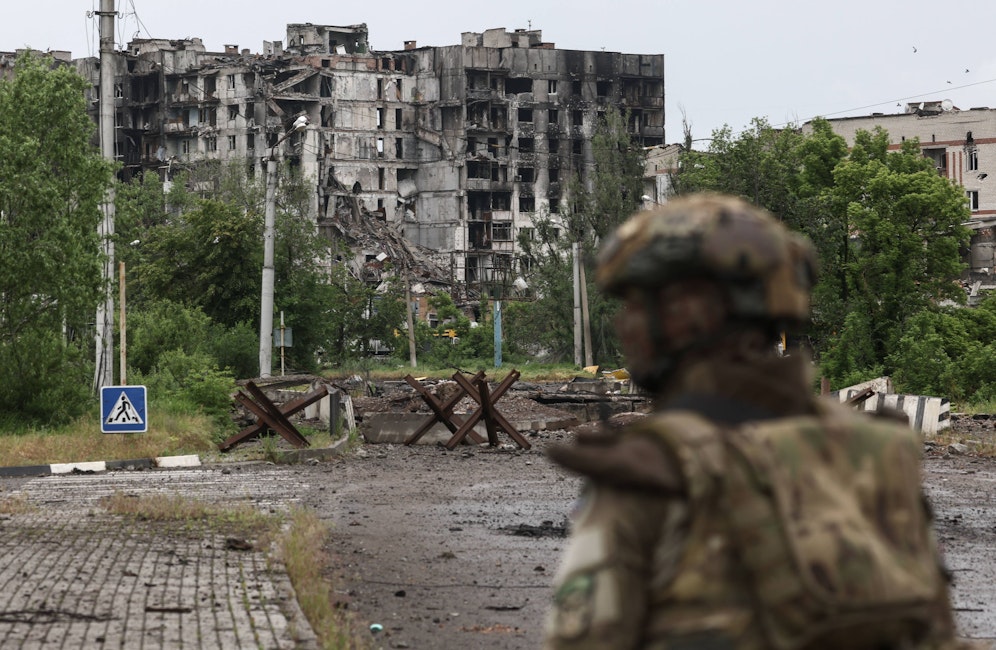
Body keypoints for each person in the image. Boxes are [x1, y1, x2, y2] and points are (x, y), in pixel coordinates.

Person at [543, 194, 962, 649]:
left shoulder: (653, 469)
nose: (626, 325)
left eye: (637, 305)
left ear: (690, 312)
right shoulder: (880, 449)